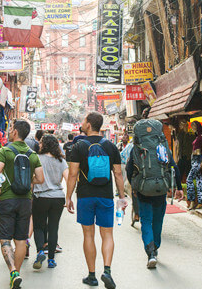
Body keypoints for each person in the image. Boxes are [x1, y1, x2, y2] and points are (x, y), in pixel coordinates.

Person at [65, 112, 126, 289]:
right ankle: (107, 271)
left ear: (89, 124)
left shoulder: (78, 146)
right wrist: (121, 197)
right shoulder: (111, 146)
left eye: (84, 120)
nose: (82, 123)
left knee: (88, 234)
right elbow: (118, 173)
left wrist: (68, 197)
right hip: (106, 195)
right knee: (107, 234)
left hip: (85, 196)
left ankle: (92, 276)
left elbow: (73, 174)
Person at [0, 119, 44, 289]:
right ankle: (17, 273)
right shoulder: (32, 154)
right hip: (25, 200)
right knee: (21, 239)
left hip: (7, 200)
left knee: (5, 239)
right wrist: (28, 181)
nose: (9, 131)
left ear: (15, 132)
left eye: (10, 128)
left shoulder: (5, 151)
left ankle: (13, 271)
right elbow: (41, 179)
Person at [126, 133, 183, 268]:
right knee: (158, 220)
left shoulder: (136, 149)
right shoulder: (163, 148)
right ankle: (155, 247)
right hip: (160, 190)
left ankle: (150, 252)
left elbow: (129, 170)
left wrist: (134, 186)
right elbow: (174, 167)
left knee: (146, 220)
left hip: (143, 191)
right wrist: (178, 187)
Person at [32, 135, 69, 270]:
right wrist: (69, 196)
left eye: (41, 143)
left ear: (44, 144)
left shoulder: (37, 158)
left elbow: (32, 178)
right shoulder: (61, 160)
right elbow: (68, 177)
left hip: (41, 197)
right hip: (58, 197)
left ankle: (40, 251)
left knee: (39, 226)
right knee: (53, 228)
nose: (39, 145)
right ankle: (51, 259)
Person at [186, 121, 202, 210]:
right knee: (199, 180)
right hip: (194, 158)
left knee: (189, 179)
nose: (193, 128)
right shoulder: (197, 136)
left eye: (194, 126)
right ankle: (201, 201)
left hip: (198, 159)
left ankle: (192, 201)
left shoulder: (201, 137)